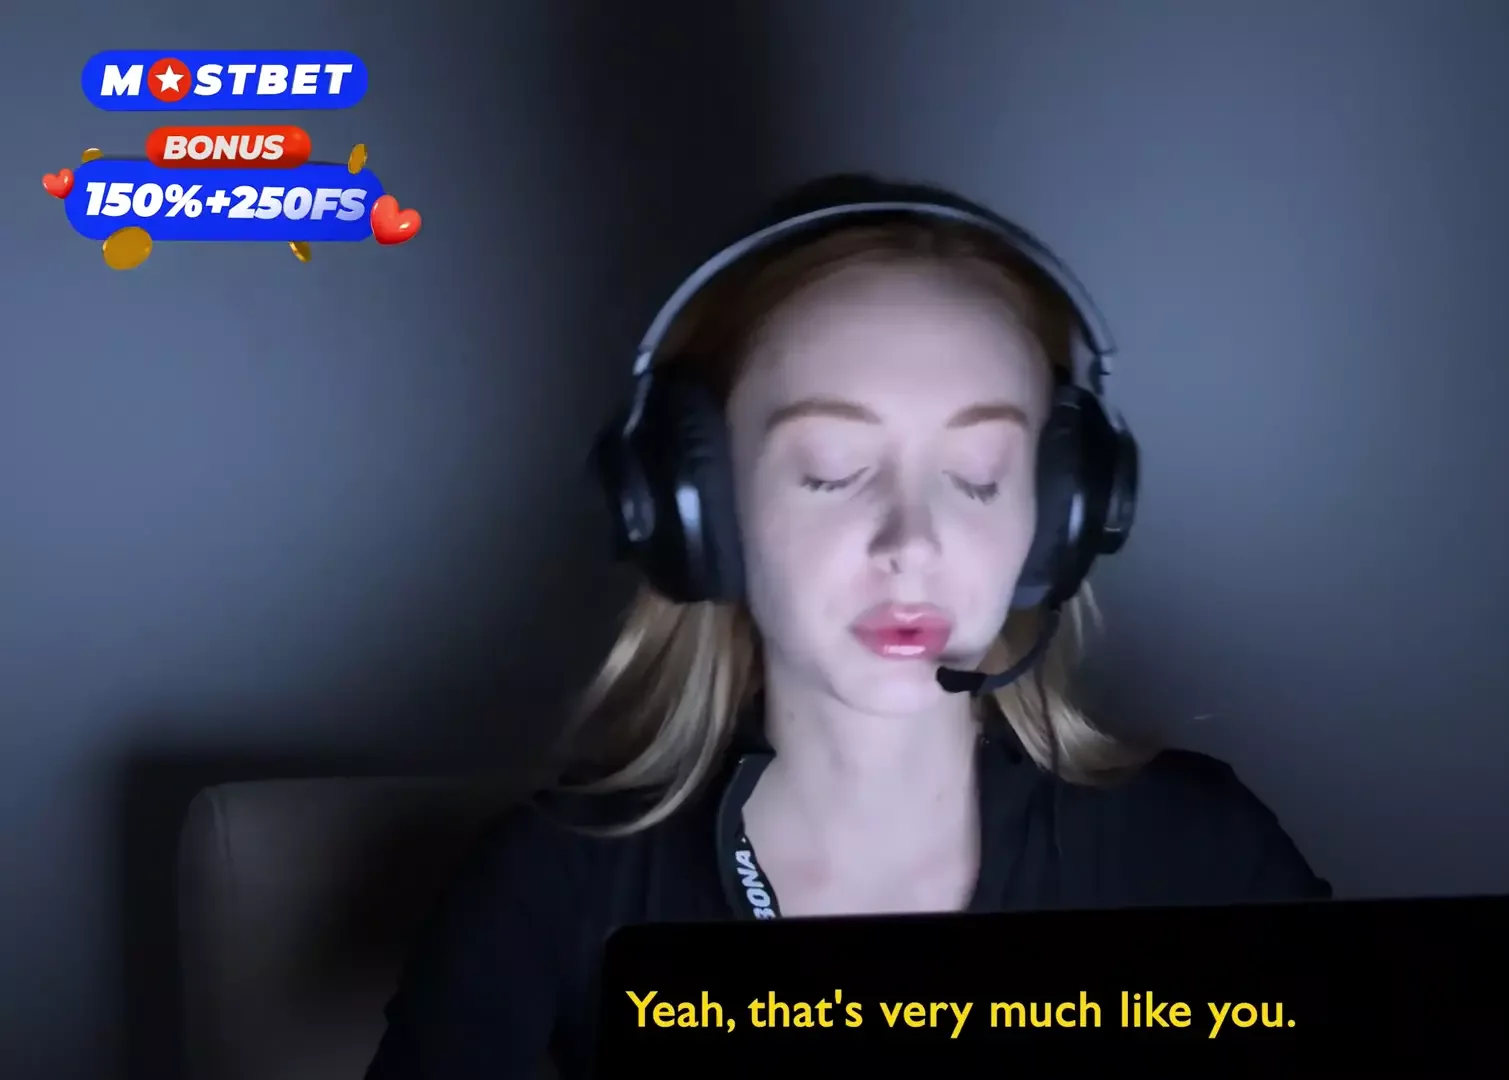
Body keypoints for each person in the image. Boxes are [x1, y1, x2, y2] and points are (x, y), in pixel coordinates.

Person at [364, 175, 1330, 1079]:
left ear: (1063, 516)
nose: (913, 543)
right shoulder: (555, 887)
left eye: (979, 478)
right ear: (695, 505)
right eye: (830, 470)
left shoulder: (1199, 854)